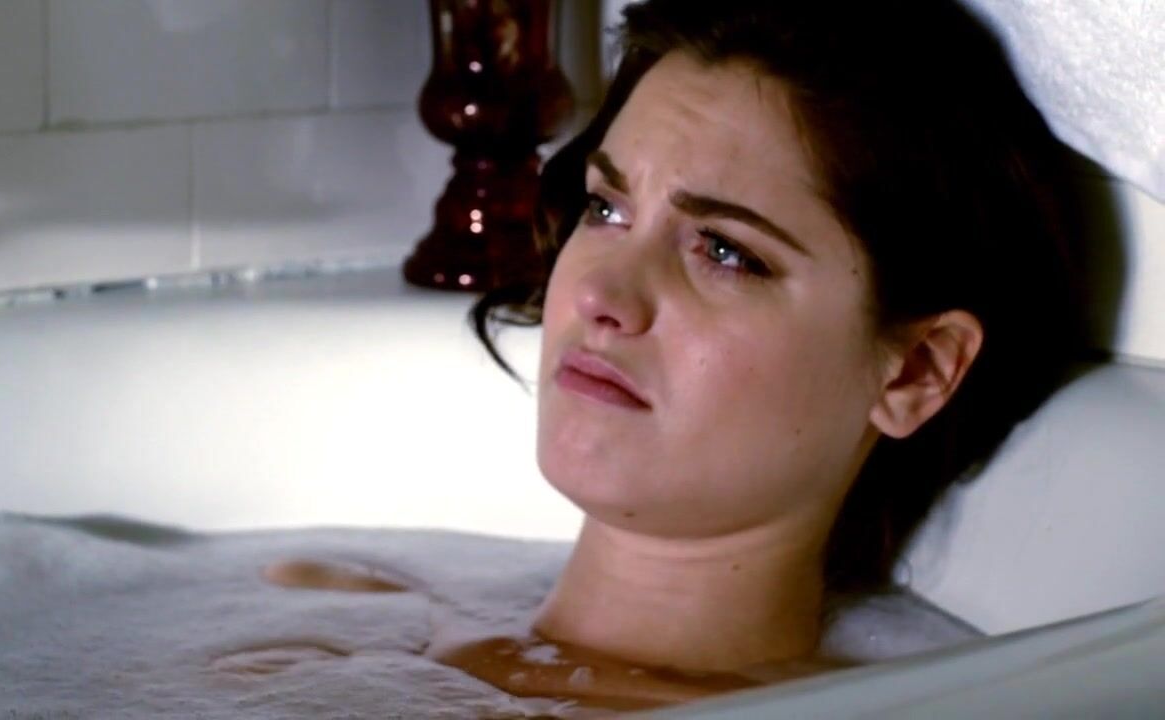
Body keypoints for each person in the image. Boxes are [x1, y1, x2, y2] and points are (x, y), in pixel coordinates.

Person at [452, 0, 1087, 713]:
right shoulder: (378, 616)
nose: (600, 293)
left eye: (725, 251)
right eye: (606, 209)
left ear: (916, 372)